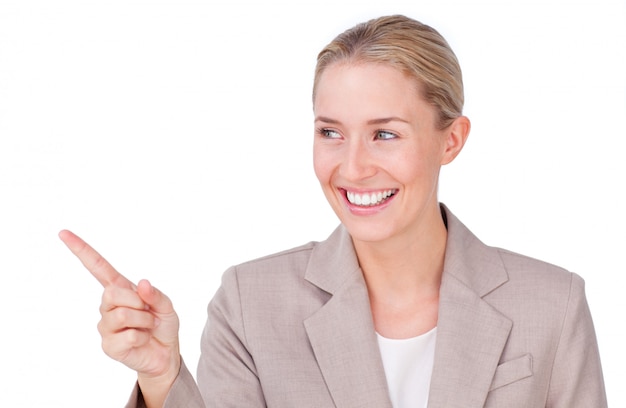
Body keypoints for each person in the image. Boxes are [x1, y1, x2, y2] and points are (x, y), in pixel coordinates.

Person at [59, 15, 607, 408]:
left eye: (385, 134)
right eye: (330, 133)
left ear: (452, 140)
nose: (353, 167)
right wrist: (162, 380)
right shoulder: (251, 304)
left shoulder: (552, 305)